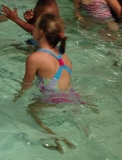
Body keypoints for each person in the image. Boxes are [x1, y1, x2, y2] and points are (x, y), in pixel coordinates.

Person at [15, 14, 81, 152]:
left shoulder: (35, 58)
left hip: (52, 98)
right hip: (72, 96)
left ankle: (53, 134)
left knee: (31, 109)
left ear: (39, 32)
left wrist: (17, 98)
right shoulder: (63, 55)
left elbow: (26, 84)